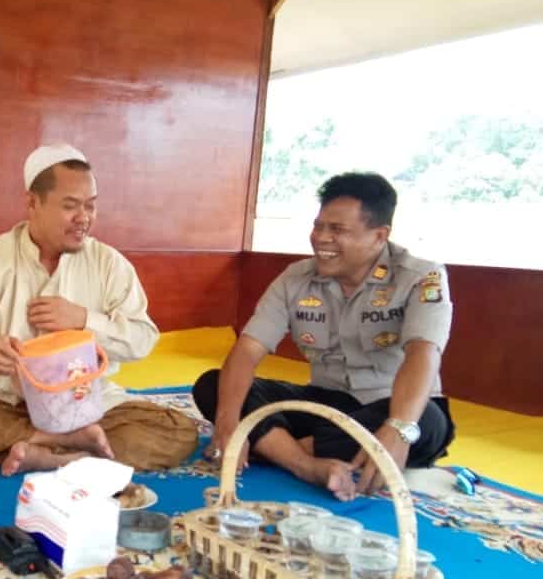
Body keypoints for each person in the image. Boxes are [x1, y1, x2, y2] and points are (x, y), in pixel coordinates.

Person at [0, 143, 197, 475]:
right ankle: (66, 445)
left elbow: (143, 338)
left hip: (90, 405)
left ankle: (46, 453)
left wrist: (84, 321)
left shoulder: (108, 264)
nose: (83, 218)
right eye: (70, 206)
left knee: (177, 430)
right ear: (32, 203)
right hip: (6, 404)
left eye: (90, 206)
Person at [193, 172, 455, 501]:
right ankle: (304, 463)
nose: (321, 238)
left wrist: (399, 428)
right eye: (319, 226)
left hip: (391, 406)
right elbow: (247, 349)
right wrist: (229, 421)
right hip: (327, 403)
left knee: (428, 422)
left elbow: (423, 353)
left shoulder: (420, 277)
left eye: (337, 230)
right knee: (214, 385)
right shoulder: (296, 278)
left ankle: (272, 446)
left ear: (379, 235)